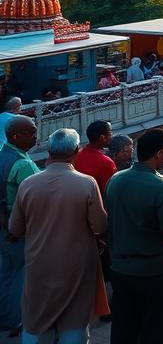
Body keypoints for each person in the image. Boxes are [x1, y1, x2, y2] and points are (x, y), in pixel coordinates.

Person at [9, 128, 107, 344]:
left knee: (37, 323)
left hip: (39, 266)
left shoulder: (28, 184)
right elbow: (100, 224)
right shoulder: (86, 183)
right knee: (74, 326)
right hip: (77, 268)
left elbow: (15, 229)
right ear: (75, 151)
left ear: (49, 152)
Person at [105, 128, 163, 344]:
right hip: (152, 272)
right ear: (159, 154)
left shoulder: (115, 180)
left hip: (121, 270)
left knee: (125, 328)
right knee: (159, 330)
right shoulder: (161, 188)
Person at [0, 115, 39, 336]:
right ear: (16, 137)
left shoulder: (2, 156)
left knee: (7, 273)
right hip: (18, 230)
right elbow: (32, 202)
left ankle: (6, 316)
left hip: (6, 228)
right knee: (19, 275)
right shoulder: (22, 163)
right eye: (32, 133)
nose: (36, 137)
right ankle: (15, 319)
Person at [74, 120, 117, 199]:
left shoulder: (75, 156)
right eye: (110, 133)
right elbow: (110, 194)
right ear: (102, 137)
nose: (112, 136)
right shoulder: (106, 162)